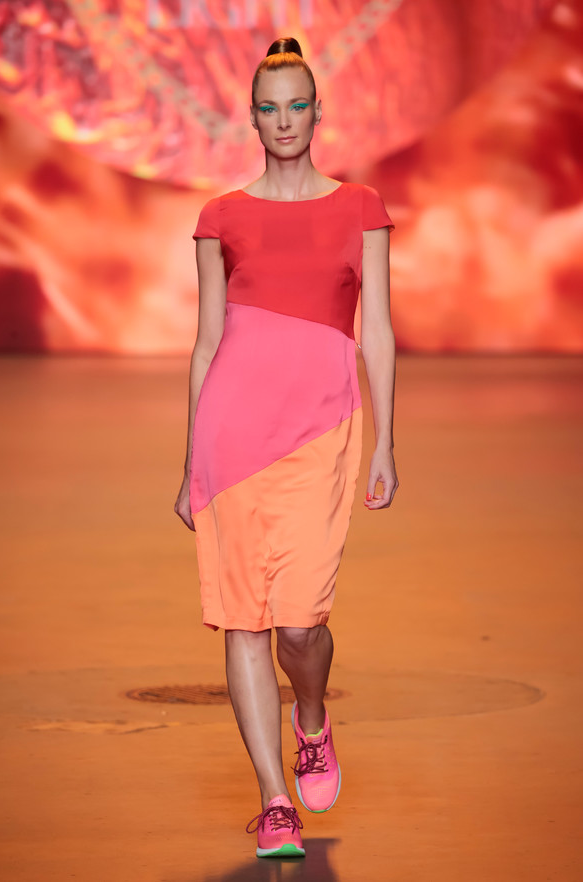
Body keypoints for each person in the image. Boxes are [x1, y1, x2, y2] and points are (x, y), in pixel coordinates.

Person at [175, 36, 398, 859]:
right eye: (270, 108)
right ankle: (274, 800)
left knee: (301, 625)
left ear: (317, 111)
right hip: (232, 437)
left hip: (321, 431)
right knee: (243, 622)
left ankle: (311, 719)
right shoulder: (221, 217)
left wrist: (386, 440)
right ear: (253, 119)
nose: (284, 120)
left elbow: (377, 329)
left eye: (297, 105)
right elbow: (207, 343)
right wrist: (189, 463)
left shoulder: (360, 207)